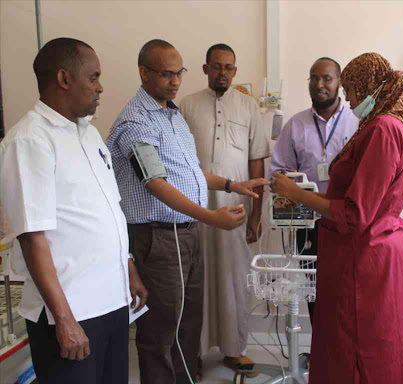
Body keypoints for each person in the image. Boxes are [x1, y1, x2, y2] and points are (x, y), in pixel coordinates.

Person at [106, 39, 269, 384]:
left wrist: (231, 185)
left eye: (178, 73)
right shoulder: (136, 122)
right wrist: (210, 218)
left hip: (186, 235)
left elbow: (192, 171)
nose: (175, 81)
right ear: (144, 73)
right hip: (158, 238)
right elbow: (154, 181)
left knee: (187, 325)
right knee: (161, 332)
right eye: (166, 74)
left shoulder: (172, 115)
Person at [272, 52, 403, 384]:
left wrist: (297, 194)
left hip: (368, 259)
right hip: (362, 252)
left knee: (370, 350)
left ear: (369, 87)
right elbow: (347, 201)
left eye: (350, 89)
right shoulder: (375, 126)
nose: (348, 99)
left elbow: (355, 213)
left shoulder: (382, 129)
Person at [0, 38, 148, 384]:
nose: (100, 87)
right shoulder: (29, 141)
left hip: (111, 303)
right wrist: (64, 319)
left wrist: (128, 268)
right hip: (70, 313)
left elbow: (107, 211)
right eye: (93, 77)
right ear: (65, 79)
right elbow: (32, 237)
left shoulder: (90, 136)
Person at [180, 43, 269, 375]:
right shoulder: (186, 106)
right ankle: (195, 352)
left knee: (235, 278)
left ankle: (235, 349)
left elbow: (256, 161)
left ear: (235, 70)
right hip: (196, 206)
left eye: (229, 67)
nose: (222, 73)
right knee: (196, 279)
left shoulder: (249, 107)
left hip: (236, 206)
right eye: (216, 67)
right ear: (205, 69)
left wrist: (257, 215)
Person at [270, 57, 358, 322]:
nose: (319, 84)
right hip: (307, 223)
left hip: (345, 220)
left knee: (346, 289)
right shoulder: (295, 125)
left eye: (326, 78)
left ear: (339, 82)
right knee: (313, 291)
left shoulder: (357, 123)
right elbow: (277, 171)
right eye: (313, 78)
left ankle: (342, 358)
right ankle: (320, 355)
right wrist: (285, 181)